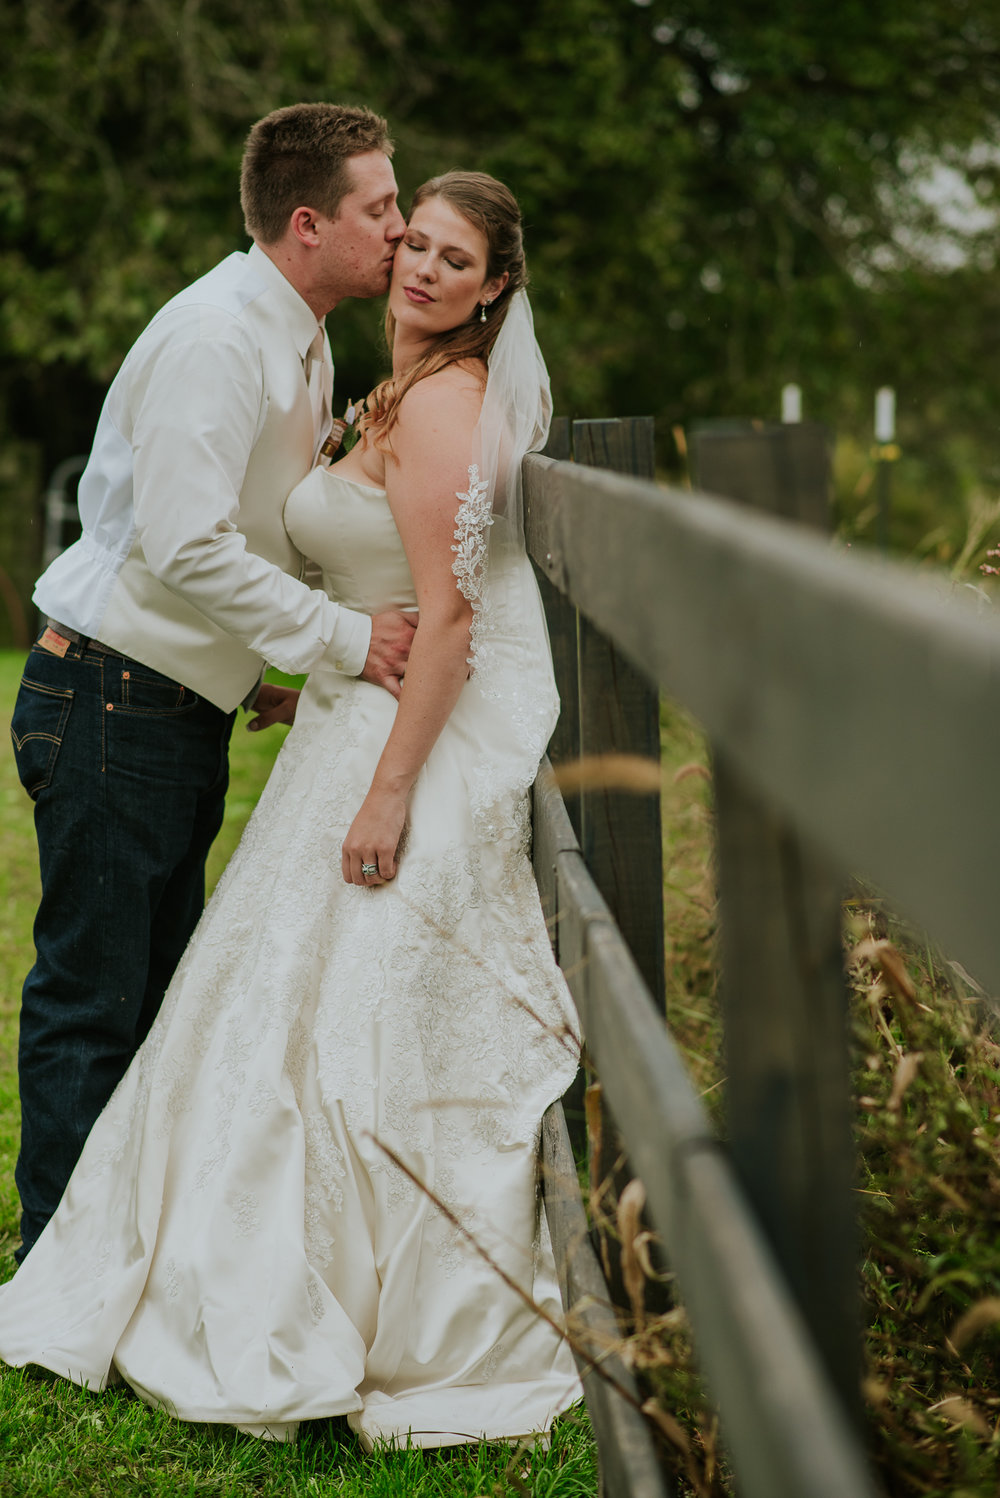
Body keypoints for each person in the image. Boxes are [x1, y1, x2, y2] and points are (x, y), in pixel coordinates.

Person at [0, 171, 582, 1449]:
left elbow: (451, 621)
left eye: (449, 255)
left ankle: (333, 1289)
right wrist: (304, 668)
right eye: (408, 233)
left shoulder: (441, 406)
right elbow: (269, 560)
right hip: (289, 714)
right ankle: (121, 1247)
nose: (418, 262)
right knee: (210, 997)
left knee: (325, 1011)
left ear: (494, 289)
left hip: (382, 746)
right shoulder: (333, 367)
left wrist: (386, 790)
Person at [9, 102, 416, 1264]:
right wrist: (341, 638)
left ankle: (116, 1234)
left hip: (168, 700)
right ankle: (56, 1261)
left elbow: (247, 525)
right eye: (379, 207)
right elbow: (187, 545)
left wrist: (259, 680)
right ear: (308, 223)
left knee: (151, 985)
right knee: (94, 993)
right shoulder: (219, 337)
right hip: (105, 699)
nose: (397, 226)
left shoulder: (299, 331)